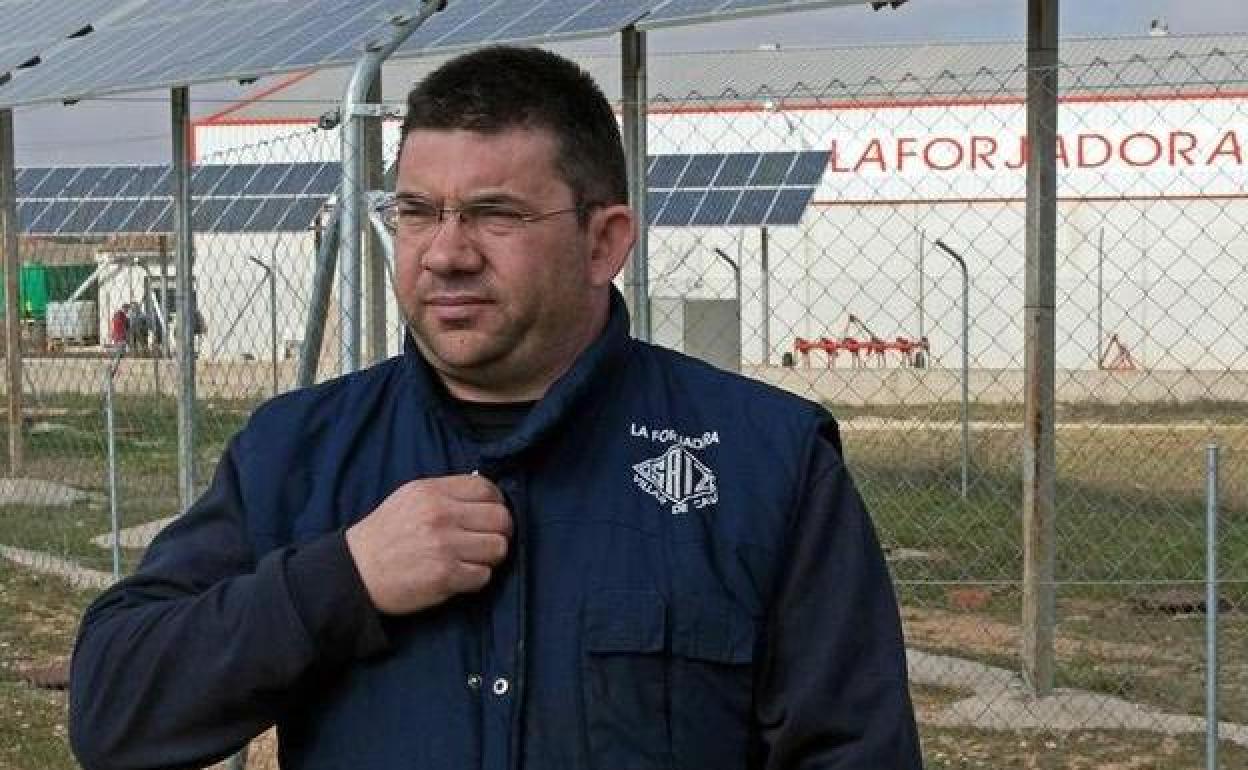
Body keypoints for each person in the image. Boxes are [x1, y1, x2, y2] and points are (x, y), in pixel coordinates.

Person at [68, 46, 921, 770]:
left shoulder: (766, 463)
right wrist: (344, 581)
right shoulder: (298, 454)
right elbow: (114, 710)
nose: (445, 253)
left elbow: (853, 749)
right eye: (416, 212)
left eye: (494, 215)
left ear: (604, 242)